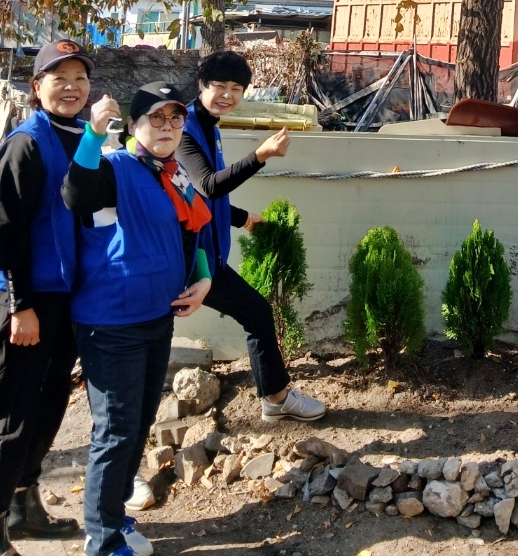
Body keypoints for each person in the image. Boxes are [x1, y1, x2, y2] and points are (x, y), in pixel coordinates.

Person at [63, 83, 213, 556]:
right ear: (132, 126)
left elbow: (194, 231)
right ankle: (102, 538)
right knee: (116, 430)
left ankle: (115, 517)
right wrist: (91, 134)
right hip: (112, 322)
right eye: (155, 118)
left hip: (156, 317)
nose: (167, 128)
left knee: (139, 420)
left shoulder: (174, 174)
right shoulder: (114, 167)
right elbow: (76, 193)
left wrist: (204, 279)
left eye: (175, 119)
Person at [0, 41, 92, 556]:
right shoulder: (26, 143)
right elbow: (10, 231)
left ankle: (24, 504)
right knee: (13, 411)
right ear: (36, 87)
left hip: (68, 297)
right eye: (57, 77)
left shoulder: (87, 138)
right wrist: (20, 306)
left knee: (50, 403)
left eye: (79, 78)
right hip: (28, 298)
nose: (70, 87)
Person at [177, 51, 325, 423]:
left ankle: (276, 398)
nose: (227, 95)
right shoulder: (183, 128)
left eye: (236, 88)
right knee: (145, 343)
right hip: (184, 259)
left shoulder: (209, 124)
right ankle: (276, 399)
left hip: (204, 255)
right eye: (219, 86)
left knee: (257, 313)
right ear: (201, 85)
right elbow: (208, 186)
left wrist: (241, 218)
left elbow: (201, 195)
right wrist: (260, 156)